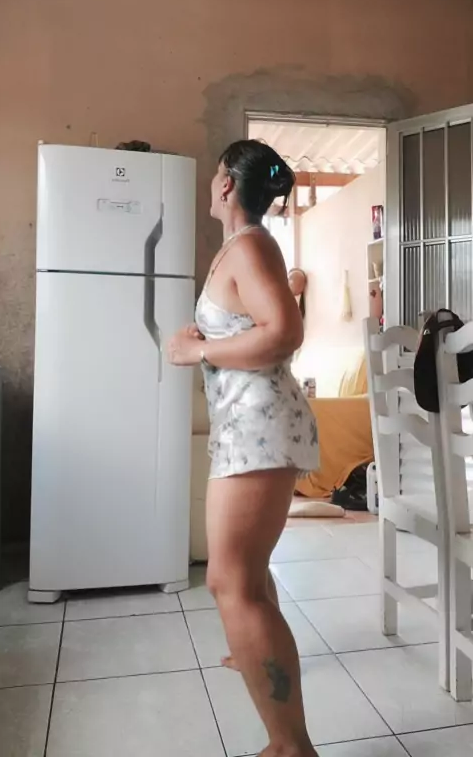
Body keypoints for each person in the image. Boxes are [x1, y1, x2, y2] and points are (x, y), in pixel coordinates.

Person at [167, 140, 319, 757]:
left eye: (214, 176)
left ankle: (290, 747)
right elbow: (248, 326)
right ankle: (253, 648)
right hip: (248, 425)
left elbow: (283, 332)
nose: (211, 184)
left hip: (259, 427)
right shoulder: (241, 247)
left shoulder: (251, 245)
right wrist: (203, 337)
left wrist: (197, 350)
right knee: (243, 580)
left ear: (227, 183)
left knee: (230, 582)